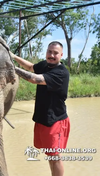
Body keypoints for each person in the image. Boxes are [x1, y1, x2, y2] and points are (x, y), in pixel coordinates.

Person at [10, 41, 70, 176]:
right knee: (50, 155)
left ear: (61, 55)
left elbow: (34, 78)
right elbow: (31, 67)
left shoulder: (61, 73)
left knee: (55, 157)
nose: (52, 55)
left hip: (55, 121)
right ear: (46, 52)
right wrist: (13, 56)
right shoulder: (45, 65)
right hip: (42, 118)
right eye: (50, 52)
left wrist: (12, 68)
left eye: (55, 53)